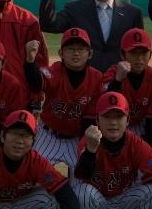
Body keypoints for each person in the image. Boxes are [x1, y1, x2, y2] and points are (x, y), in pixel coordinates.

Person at [39, 0, 145, 72]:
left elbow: (139, 50)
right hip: (85, 83)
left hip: (120, 82)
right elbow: (48, 25)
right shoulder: (74, 9)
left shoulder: (133, 13)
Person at [33, 27, 104, 170]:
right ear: (61, 54)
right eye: (70, 48)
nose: (76, 53)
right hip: (48, 135)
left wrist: (84, 146)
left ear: (90, 54)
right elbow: (36, 83)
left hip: (76, 138)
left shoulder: (96, 78)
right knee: (34, 175)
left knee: (82, 183)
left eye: (81, 49)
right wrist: (30, 62)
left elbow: (89, 119)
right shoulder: (54, 70)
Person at [101, 28, 152, 147]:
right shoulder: (112, 73)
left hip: (141, 125)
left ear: (150, 54)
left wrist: (146, 146)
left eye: (144, 52)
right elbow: (106, 108)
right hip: (115, 124)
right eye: (134, 52)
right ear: (122, 54)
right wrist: (117, 80)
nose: (139, 58)